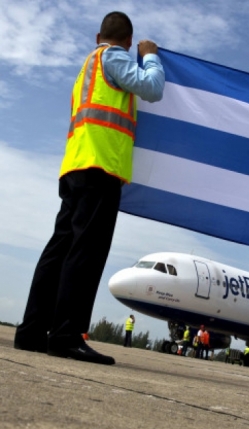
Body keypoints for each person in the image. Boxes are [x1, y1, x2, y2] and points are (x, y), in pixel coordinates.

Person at [12, 11, 165, 366]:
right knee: (86, 251)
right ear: (128, 41)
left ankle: (32, 330)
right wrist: (151, 55)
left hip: (75, 165)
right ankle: (65, 335)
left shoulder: (87, 68)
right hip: (100, 166)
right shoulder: (113, 57)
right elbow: (152, 89)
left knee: (60, 248)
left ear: (98, 35)